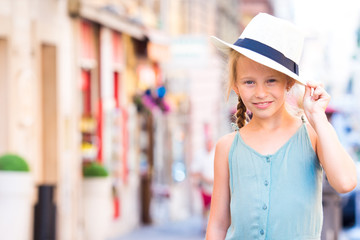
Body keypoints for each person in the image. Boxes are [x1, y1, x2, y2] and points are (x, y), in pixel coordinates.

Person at [206, 13, 357, 239]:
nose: (260, 93)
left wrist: (318, 117)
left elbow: (346, 182)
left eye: (271, 81)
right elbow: (218, 225)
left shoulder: (311, 135)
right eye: (249, 82)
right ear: (236, 86)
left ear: (288, 83)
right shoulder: (227, 148)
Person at [191, 137, 215, 231]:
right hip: (204, 185)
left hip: (215, 184)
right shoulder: (199, 155)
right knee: (205, 207)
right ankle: (205, 224)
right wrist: (203, 178)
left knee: (215, 206)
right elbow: (194, 171)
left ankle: (212, 224)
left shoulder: (216, 153)